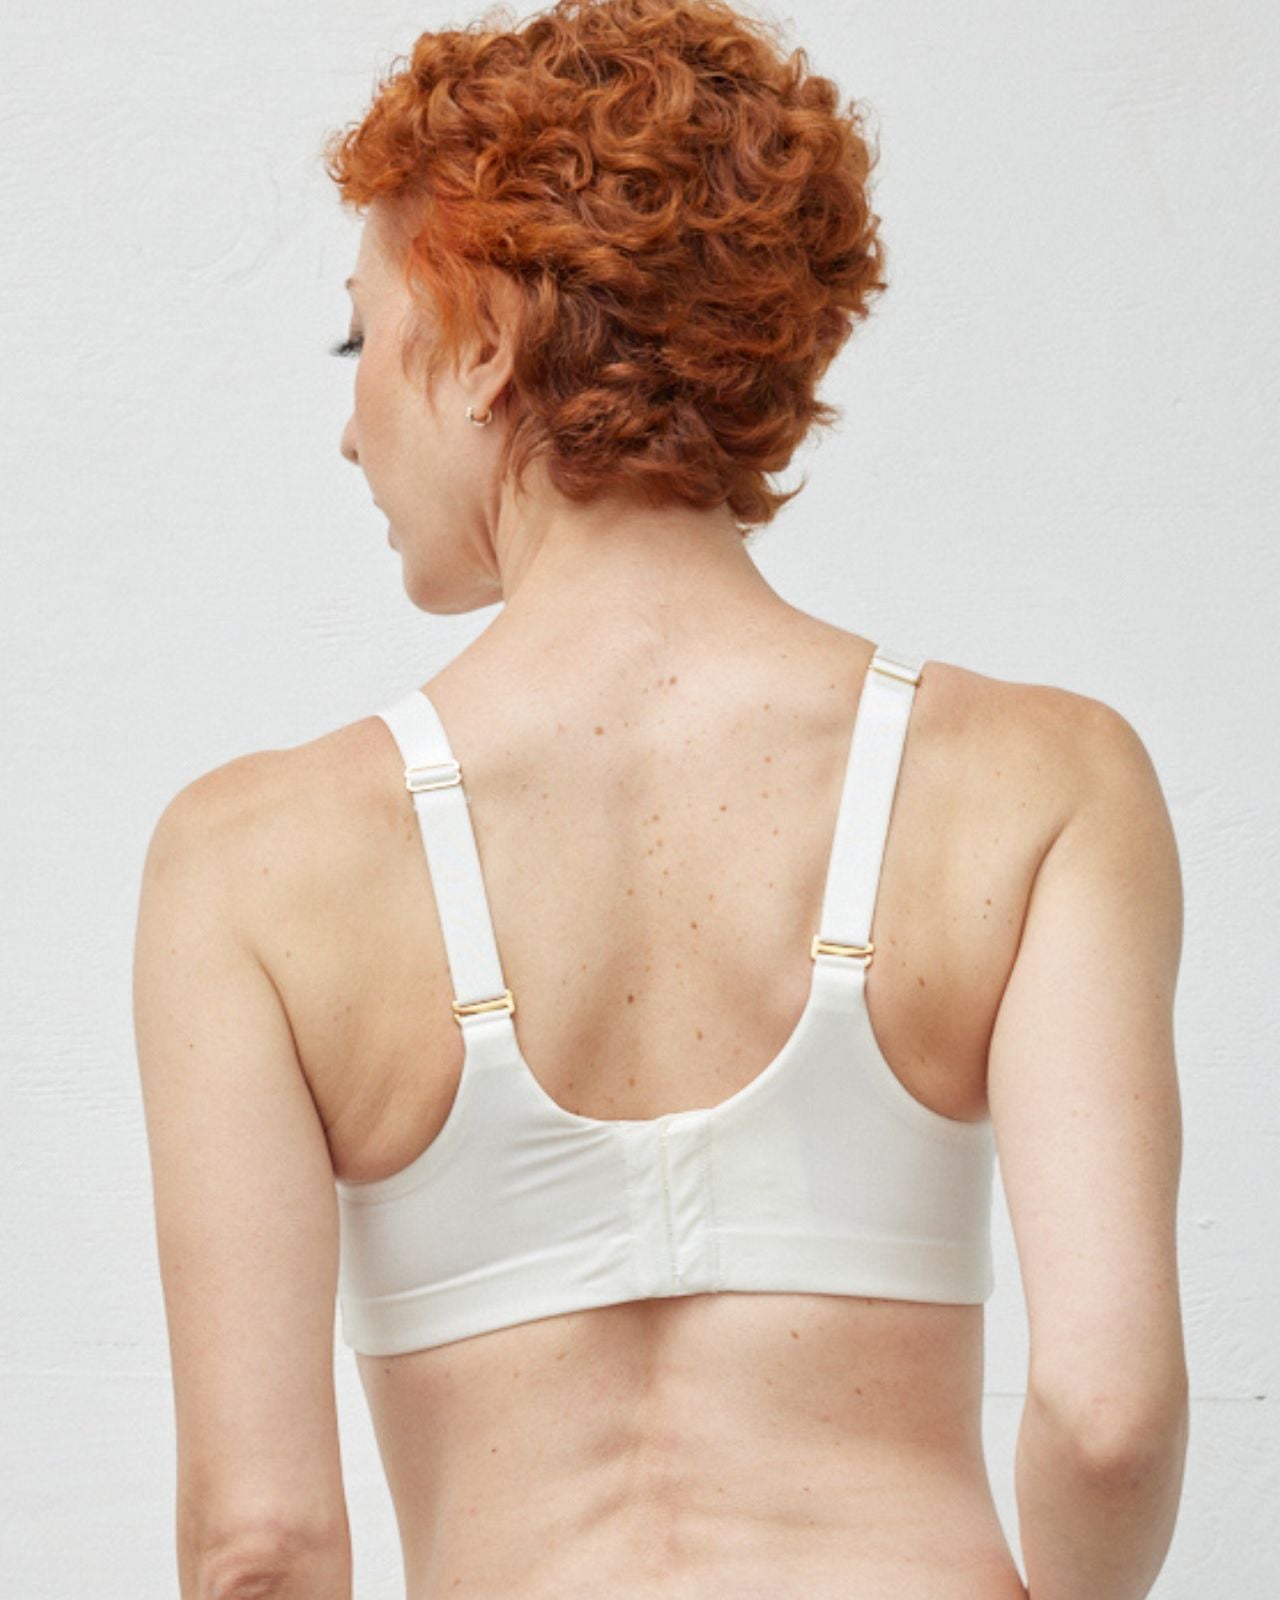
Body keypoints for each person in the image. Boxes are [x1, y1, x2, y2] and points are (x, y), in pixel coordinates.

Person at [131, 2, 1189, 1597]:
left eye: (363, 343)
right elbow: (1110, 1423)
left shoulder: (250, 864)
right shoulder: (1044, 784)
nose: (349, 431)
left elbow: (258, 1545)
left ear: (483, 340)